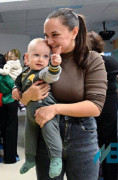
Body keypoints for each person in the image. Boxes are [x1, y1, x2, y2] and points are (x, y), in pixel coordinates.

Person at [13, 8, 107, 180]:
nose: (49, 41)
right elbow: (25, 89)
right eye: (46, 35)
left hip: (82, 137)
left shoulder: (92, 59)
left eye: (54, 35)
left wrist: (55, 109)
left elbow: (95, 107)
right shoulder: (44, 57)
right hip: (45, 135)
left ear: (74, 32)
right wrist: (27, 96)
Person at [13, 38, 62, 178]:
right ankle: (29, 160)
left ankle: (56, 159)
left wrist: (54, 65)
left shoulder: (43, 72)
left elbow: (52, 75)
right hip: (30, 114)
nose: (41, 59)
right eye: (36, 55)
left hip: (46, 112)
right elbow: (17, 83)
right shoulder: (24, 73)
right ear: (27, 58)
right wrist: (15, 89)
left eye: (45, 56)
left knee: (51, 134)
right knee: (29, 137)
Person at [88, 31, 118, 180]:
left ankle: (96, 172)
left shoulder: (88, 62)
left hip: (93, 104)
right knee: (110, 141)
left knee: (92, 142)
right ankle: (111, 174)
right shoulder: (112, 62)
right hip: (110, 105)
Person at [0, 54, 19, 164]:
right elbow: (13, 86)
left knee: (5, 129)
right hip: (11, 100)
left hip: (3, 101)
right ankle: (11, 157)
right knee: (12, 130)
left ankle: (7, 156)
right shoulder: (4, 74)